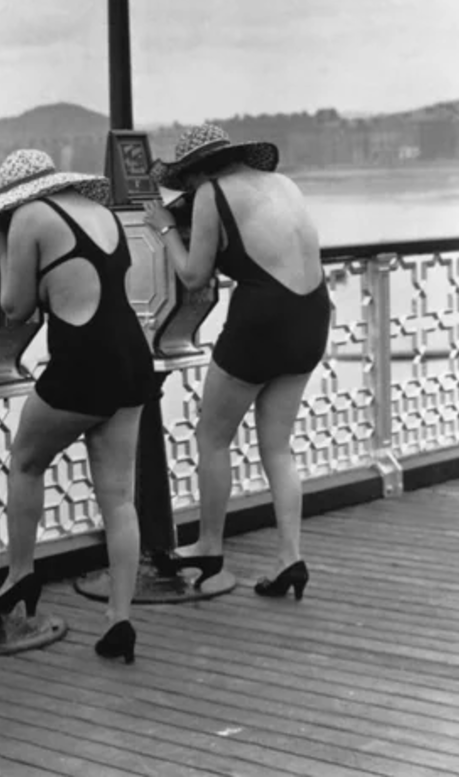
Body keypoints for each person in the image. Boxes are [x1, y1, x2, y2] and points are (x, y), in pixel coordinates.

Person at [0, 149, 158, 663]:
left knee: (25, 460)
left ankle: (22, 572)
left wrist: (3, 243)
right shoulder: (102, 213)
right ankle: (120, 618)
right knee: (117, 497)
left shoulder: (28, 216)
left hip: (83, 361)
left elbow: (14, 306)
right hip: (132, 357)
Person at [143, 123, 332, 601]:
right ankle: (291, 557)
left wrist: (164, 228)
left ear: (195, 171)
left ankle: (208, 546)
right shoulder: (284, 184)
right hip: (312, 315)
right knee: (278, 447)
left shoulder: (210, 193)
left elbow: (193, 274)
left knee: (213, 436)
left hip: (261, 322)